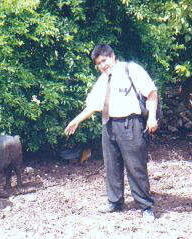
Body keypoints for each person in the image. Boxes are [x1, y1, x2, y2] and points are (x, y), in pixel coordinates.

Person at [64, 44, 158, 220]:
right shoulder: (103, 80)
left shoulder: (132, 70)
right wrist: (76, 120)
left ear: (113, 57)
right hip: (109, 124)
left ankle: (146, 206)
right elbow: (92, 106)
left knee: (135, 166)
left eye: (104, 60)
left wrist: (152, 117)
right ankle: (115, 202)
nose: (102, 65)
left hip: (130, 124)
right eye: (99, 63)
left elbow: (152, 93)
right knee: (111, 165)